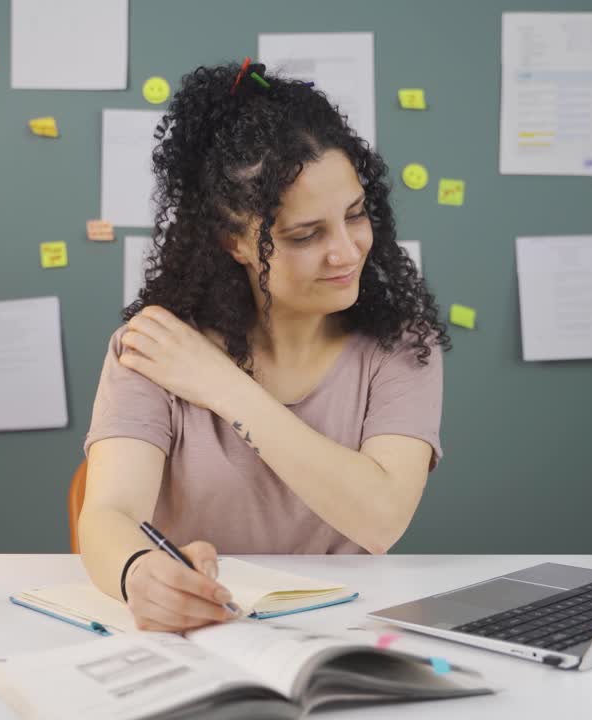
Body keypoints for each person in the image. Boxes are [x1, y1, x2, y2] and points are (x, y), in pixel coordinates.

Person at [79, 61, 450, 632]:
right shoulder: (157, 348)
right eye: (306, 235)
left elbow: (382, 519)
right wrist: (138, 575)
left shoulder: (401, 346)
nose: (348, 251)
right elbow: (108, 514)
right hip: (199, 632)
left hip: (342, 631)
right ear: (235, 242)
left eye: (356, 215)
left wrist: (224, 386)